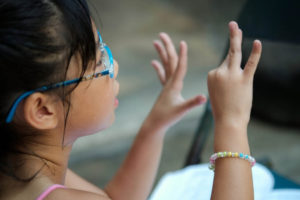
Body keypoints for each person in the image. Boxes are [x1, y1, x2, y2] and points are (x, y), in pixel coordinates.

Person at [0, 0, 261, 200]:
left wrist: (155, 125)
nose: (114, 67)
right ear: (43, 110)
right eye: (99, 59)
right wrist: (232, 123)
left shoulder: (20, 168)